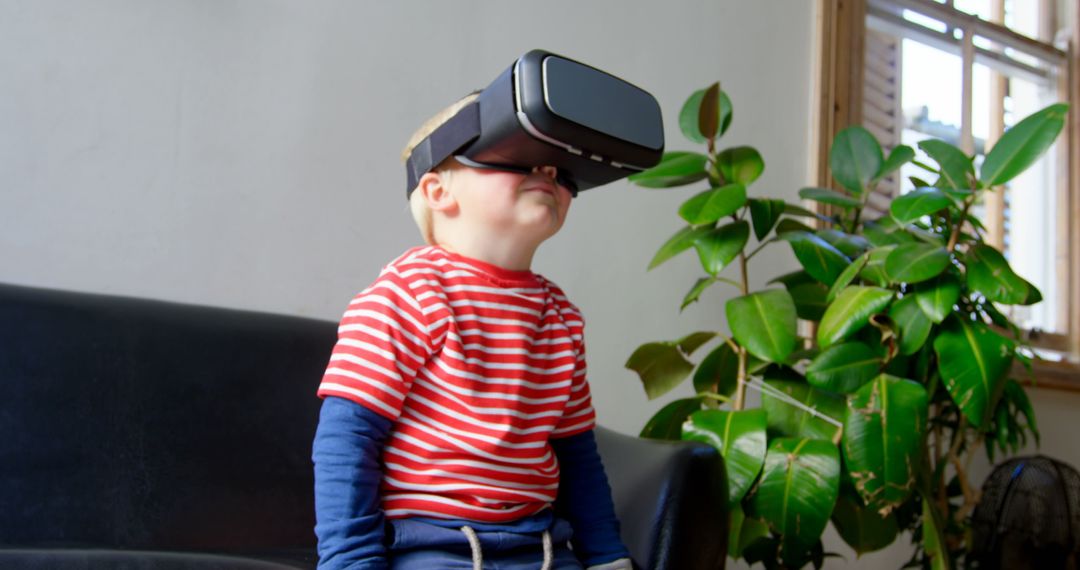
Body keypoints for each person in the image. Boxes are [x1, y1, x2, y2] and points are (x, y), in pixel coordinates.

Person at [311, 91, 633, 570]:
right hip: (433, 547)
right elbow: (347, 438)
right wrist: (351, 560)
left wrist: (608, 557)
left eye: (560, 170)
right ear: (439, 191)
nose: (547, 172)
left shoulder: (561, 316)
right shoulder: (407, 293)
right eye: (522, 158)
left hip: (542, 547)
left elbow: (577, 455)